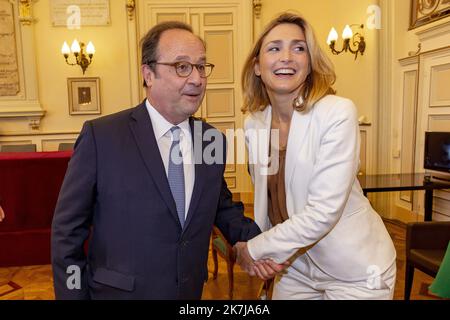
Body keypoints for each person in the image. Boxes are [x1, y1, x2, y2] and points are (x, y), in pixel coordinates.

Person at [51, 21, 264, 300]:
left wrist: (265, 243)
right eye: (182, 67)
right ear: (148, 74)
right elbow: (67, 233)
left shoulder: (211, 140)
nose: (197, 79)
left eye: (201, 67)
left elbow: (221, 206)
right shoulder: (101, 137)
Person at [234, 12, 397, 300]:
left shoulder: (337, 112)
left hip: (356, 271)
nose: (287, 56)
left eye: (299, 48)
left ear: (309, 65)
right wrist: (271, 257)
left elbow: (322, 212)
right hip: (294, 267)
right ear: (257, 66)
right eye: (274, 48)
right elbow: (271, 199)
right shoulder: (254, 123)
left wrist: (255, 250)